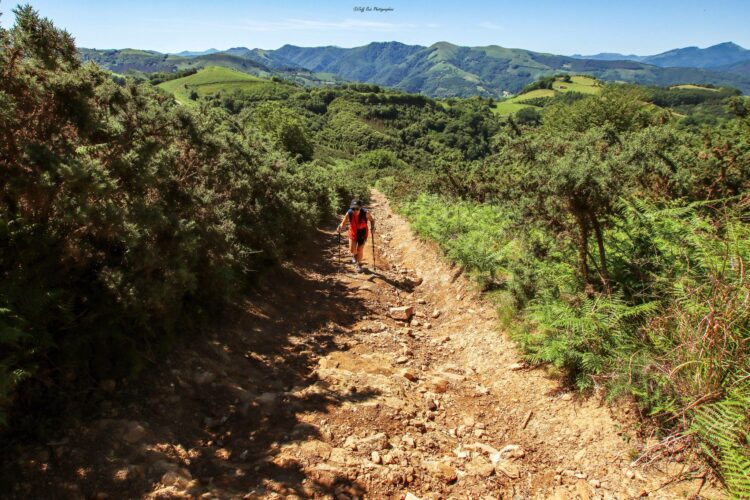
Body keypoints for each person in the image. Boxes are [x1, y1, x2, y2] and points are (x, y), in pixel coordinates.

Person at [337, 199, 375, 272]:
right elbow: (343, 222)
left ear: (360, 208)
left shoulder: (366, 213)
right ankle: (354, 255)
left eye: (357, 208)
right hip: (353, 232)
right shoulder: (349, 213)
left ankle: (359, 264)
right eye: (353, 208)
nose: (355, 210)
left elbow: (372, 220)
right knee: (352, 250)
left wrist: (373, 227)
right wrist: (340, 227)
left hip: (363, 232)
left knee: (360, 249)